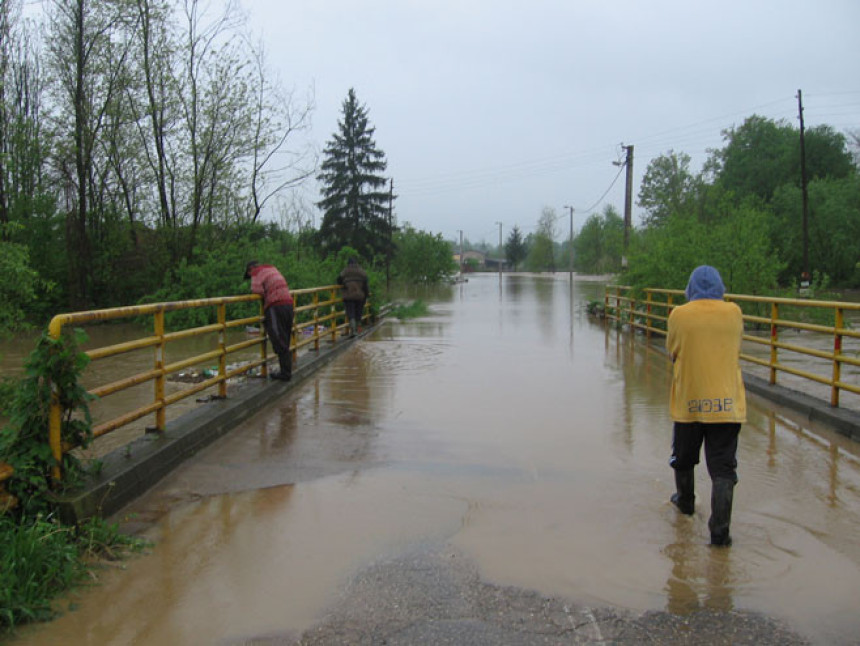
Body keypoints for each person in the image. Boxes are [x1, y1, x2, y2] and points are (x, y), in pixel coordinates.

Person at [666, 265, 746, 547]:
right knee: (723, 469)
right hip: (727, 404)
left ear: (690, 289)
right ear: (720, 287)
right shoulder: (734, 313)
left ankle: (685, 504)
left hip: (690, 403)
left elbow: (673, 350)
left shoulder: (679, 315)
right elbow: (736, 347)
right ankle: (720, 534)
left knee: (684, 458)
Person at [244, 261, 294, 381]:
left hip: (275, 305)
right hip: (288, 303)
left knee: (277, 337)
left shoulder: (257, 273)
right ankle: (285, 370)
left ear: (251, 270)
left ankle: (286, 373)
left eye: (249, 275)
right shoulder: (272, 268)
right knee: (285, 337)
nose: (251, 277)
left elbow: (257, 290)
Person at [337, 257, 369, 337]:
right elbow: (366, 284)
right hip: (360, 296)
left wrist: (344, 284)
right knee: (358, 313)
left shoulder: (345, 271)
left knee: (351, 314)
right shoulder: (362, 271)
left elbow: (339, 280)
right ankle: (358, 330)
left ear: (348, 263)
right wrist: (367, 294)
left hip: (349, 296)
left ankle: (353, 331)